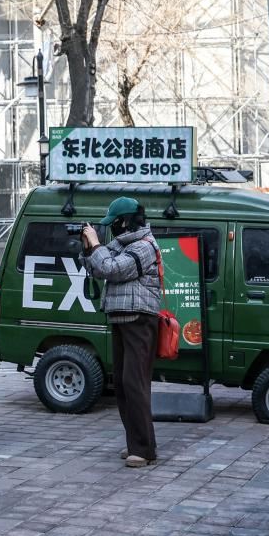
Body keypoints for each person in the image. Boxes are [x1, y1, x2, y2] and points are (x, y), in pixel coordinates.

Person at [80, 197, 162, 468]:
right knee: (124, 387)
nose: (110, 229)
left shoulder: (145, 246)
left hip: (139, 320)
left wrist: (96, 245)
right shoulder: (121, 245)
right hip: (120, 317)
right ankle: (135, 444)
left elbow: (112, 269)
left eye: (112, 224)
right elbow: (97, 268)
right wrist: (87, 248)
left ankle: (144, 449)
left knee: (135, 384)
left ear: (124, 221)